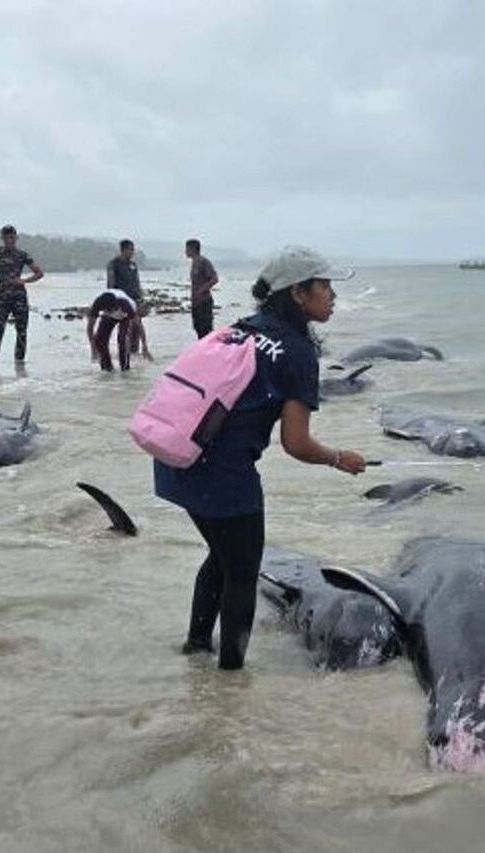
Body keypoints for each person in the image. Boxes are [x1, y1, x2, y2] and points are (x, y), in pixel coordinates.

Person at [154, 246, 368, 670]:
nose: (332, 295)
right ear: (298, 293)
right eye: (324, 286)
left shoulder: (242, 328)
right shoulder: (298, 352)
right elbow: (296, 442)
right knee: (242, 573)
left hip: (176, 457)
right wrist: (338, 458)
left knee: (221, 556)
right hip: (223, 473)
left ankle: (197, 648)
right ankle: (230, 679)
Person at [0, 225, 43, 363]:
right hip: (2, 296)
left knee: (21, 330)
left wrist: (24, 280)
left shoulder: (22, 255)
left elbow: (39, 273)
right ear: (2, 238)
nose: (9, 240)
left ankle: (19, 362)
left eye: (12, 237)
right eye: (7, 237)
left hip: (19, 297)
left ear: (16, 238)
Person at [106, 239, 151, 359]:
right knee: (124, 328)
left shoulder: (133, 265)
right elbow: (110, 284)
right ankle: (124, 354)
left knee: (136, 327)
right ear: (123, 250)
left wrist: (141, 299)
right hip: (122, 301)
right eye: (130, 249)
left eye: (133, 249)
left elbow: (136, 283)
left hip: (135, 300)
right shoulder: (114, 264)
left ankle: (135, 354)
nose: (132, 252)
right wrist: (113, 302)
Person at [87, 289, 138, 372]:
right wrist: (93, 349)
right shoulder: (98, 304)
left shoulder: (125, 304)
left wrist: (145, 347)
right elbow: (90, 328)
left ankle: (125, 369)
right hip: (109, 317)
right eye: (107, 310)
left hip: (125, 317)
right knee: (99, 341)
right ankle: (108, 369)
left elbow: (138, 324)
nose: (111, 312)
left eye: (111, 310)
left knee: (122, 339)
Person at [186, 238, 219, 339]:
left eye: (187, 249)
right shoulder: (194, 263)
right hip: (196, 303)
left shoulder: (204, 262)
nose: (185, 252)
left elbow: (214, 279)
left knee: (206, 331)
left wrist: (202, 290)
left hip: (204, 302)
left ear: (193, 249)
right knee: (198, 329)